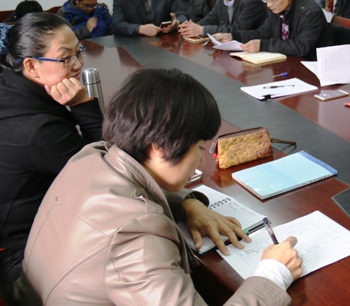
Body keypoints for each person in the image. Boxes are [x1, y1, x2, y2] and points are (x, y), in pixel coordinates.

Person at [15, 68, 302, 305]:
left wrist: (187, 203)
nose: (202, 159)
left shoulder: (92, 156)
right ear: (158, 147)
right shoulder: (137, 235)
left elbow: (129, 186)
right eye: (199, 148)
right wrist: (273, 274)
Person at [0, 14, 103, 284]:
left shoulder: (10, 87)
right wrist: (82, 104)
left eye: (79, 51)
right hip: (23, 255)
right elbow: (109, 172)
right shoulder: (40, 132)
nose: (78, 64)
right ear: (31, 65)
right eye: (65, 58)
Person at [216, 0, 331, 60]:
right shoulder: (278, 8)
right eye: (266, 0)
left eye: (272, 0)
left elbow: (300, 46)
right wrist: (233, 36)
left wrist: (263, 45)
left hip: (312, 66)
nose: (269, 5)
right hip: (288, 62)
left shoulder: (310, 12)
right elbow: (262, 33)